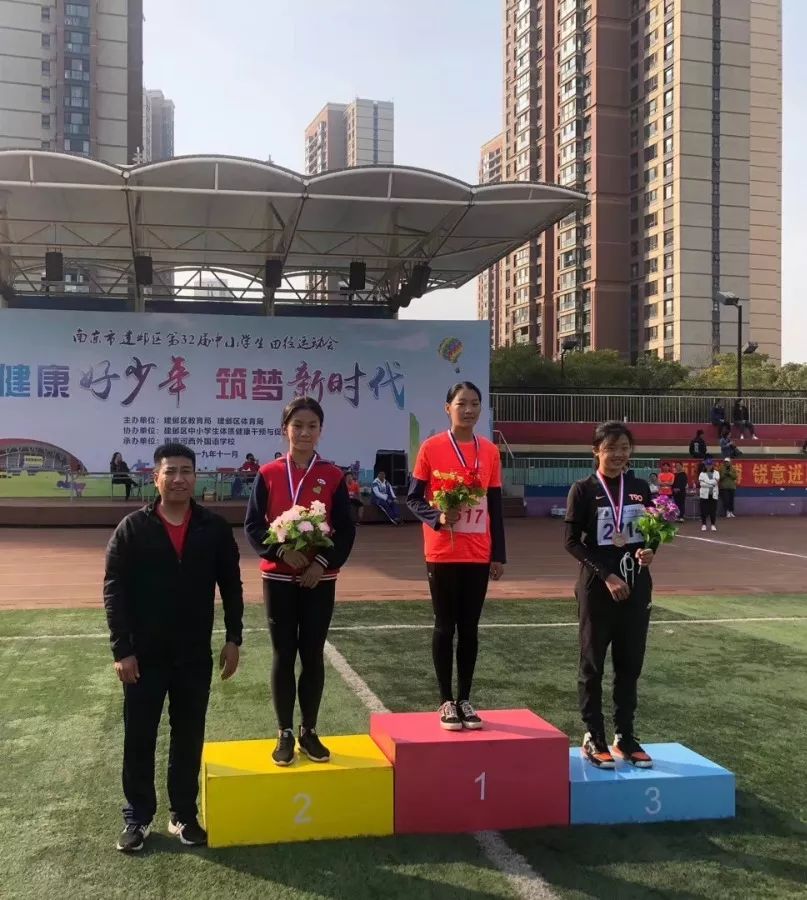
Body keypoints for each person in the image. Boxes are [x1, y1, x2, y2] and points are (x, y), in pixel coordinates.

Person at [104, 443, 244, 853]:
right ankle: (138, 816)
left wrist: (234, 637)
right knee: (140, 736)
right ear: (156, 478)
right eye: (171, 471)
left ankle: (184, 813)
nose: (179, 479)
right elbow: (114, 590)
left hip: (193, 655)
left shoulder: (213, 528)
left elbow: (231, 585)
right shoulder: (132, 528)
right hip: (143, 656)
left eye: (186, 471)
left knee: (188, 735)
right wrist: (122, 649)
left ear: (195, 477)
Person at [244, 398, 355, 767]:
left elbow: (346, 529)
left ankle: (309, 731)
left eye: (312, 426)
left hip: (319, 580)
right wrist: (280, 552)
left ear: (321, 431)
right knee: (283, 653)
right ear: (285, 430)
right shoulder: (268, 473)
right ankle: (284, 732)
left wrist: (320, 564)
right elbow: (253, 526)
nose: (305, 432)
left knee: (312, 653)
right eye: (298, 425)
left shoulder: (333, 475)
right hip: (278, 577)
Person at [407, 381, 506, 731]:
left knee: (470, 627)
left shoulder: (489, 451)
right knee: (444, 625)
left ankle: (465, 698)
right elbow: (413, 498)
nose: (469, 410)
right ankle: (445, 700)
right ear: (447, 407)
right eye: (462, 403)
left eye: (475, 403)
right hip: (442, 552)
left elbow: (494, 506)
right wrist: (437, 517)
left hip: (477, 553)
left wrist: (498, 553)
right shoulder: (431, 448)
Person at [564, 421, 657, 770]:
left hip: (637, 586)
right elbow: (571, 542)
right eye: (611, 448)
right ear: (596, 452)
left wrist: (651, 549)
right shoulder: (583, 490)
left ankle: (625, 736)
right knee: (592, 664)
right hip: (598, 588)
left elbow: (653, 531)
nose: (619, 455)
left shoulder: (640, 488)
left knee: (630, 664)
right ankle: (594, 735)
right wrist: (606, 575)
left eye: (624, 448)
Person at [698, 457, 720, 532]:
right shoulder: (702, 473)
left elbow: (716, 482)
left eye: (710, 465)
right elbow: (701, 484)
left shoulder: (716, 473)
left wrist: (707, 482)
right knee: (703, 510)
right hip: (704, 495)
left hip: (713, 495)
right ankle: (704, 524)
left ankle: (713, 525)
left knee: (712, 510)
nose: (708, 466)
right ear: (705, 465)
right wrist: (711, 484)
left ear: (712, 465)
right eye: (707, 465)